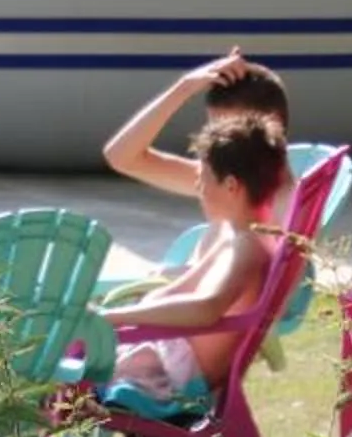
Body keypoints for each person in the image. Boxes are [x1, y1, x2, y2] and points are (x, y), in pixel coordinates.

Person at [103, 115, 290, 412]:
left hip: (171, 382)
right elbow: (184, 288)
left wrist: (113, 317)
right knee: (72, 352)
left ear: (231, 186)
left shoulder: (247, 248)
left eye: (203, 182)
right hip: (167, 359)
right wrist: (121, 314)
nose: (200, 191)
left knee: (61, 371)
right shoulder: (235, 236)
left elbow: (205, 307)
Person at [103, 47, 292, 218]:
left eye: (229, 135)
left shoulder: (284, 200)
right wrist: (184, 87)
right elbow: (121, 157)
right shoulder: (223, 181)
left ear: (272, 127)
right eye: (213, 132)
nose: (216, 145)